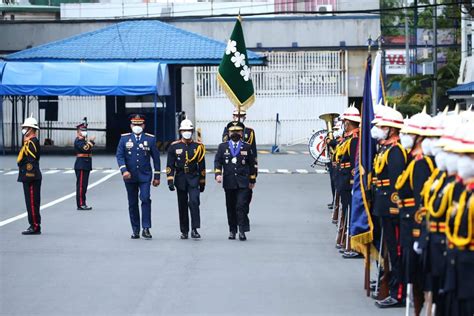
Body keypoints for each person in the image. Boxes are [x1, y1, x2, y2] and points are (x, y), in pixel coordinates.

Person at [394, 108, 434, 315]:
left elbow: (421, 201)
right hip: (408, 223)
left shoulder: (421, 164)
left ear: (420, 137)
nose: (404, 136)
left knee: (418, 280)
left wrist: (419, 232)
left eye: (409, 133)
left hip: (414, 226)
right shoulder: (415, 161)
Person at [372, 107, 407, 308]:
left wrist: (395, 208)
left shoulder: (396, 151)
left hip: (391, 208)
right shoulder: (385, 148)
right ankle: (389, 282)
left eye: (383, 126)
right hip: (382, 206)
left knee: (396, 252)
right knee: (388, 251)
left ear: (392, 130)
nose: (379, 129)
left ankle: (398, 292)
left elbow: (396, 184)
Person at [116, 114, 161, 239]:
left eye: (139, 124)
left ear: (144, 125)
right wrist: (124, 170)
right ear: (131, 125)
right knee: (132, 203)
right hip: (129, 176)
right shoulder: (124, 139)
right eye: (135, 124)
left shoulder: (150, 139)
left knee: (145, 199)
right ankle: (135, 229)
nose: (137, 126)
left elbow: (156, 158)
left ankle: (146, 228)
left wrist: (157, 176)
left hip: (145, 175)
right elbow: (119, 156)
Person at [215, 121, 257, 241]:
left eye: (237, 131)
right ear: (228, 132)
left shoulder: (247, 147)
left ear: (242, 132)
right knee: (230, 206)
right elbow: (218, 161)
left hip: (243, 182)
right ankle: (232, 230)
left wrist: (252, 179)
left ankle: (242, 230)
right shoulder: (222, 147)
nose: (235, 133)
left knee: (241, 206)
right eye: (232, 131)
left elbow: (252, 164)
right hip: (229, 182)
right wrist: (218, 174)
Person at [166, 119, 206, 240]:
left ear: (192, 131)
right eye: (184, 130)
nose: (187, 132)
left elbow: (202, 166)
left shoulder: (198, 147)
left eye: (189, 130)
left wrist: (202, 182)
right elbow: (170, 165)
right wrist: (170, 180)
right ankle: (184, 231)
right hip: (180, 178)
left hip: (194, 178)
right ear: (180, 131)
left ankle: (195, 229)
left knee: (194, 202)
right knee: (182, 205)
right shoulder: (174, 146)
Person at [334, 105, 360, 258]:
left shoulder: (355, 139)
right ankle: (345, 241)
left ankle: (352, 244)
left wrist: (351, 182)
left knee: (350, 211)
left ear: (349, 122)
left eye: (344, 121)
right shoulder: (348, 138)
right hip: (342, 179)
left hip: (348, 180)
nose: (343, 124)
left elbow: (353, 163)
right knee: (346, 210)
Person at [17, 115, 42, 235]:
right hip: (28, 175)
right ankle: (33, 224)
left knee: (32, 202)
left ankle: (35, 225)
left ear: (31, 129)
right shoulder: (29, 142)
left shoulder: (31, 143)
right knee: (30, 202)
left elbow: (32, 160)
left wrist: (28, 176)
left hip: (31, 176)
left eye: (25, 127)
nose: (24, 129)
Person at [74, 121, 96, 211]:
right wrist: (91, 141)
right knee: (81, 186)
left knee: (84, 185)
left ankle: (83, 202)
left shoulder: (83, 140)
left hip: (85, 164)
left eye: (85, 130)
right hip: (81, 164)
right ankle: (81, 204)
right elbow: (85, 148)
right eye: (82, 130)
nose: (84, 131)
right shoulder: (78, 141)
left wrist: (89, 142)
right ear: (78, 131)